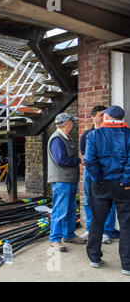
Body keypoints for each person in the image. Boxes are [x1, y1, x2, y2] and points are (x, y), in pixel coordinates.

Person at [84, 105, 130, 275]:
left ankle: (94, 258)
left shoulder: (94, 135)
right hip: (123, 186)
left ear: (107, 117)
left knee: (97, 222)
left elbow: (89, 160)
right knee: (126, 224)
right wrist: (125, 180)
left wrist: (98, 178)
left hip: (101, 184)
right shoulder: (128, 135)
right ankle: (127, 265)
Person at [47, 113, 86, 252]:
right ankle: (55, 239)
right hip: (61, 180)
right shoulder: (57, 139)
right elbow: (61, 160)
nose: (73, 124)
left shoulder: (65, 137)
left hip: (68, 179)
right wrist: (78, 160)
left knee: (69, 209)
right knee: (60, 210)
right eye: (72, 122)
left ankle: (69, 235)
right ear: (66, 123)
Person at [79, 106, 117, 244]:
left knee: (109, 201)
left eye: (104, 115)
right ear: (93, 116)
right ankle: (90, 229)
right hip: (90, 173)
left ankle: (107, 232)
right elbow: (84, 158)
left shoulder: (111, 134)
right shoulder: (86, 135)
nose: (102, 118)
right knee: (89, 200)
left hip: (108, 172)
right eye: (100, 115)